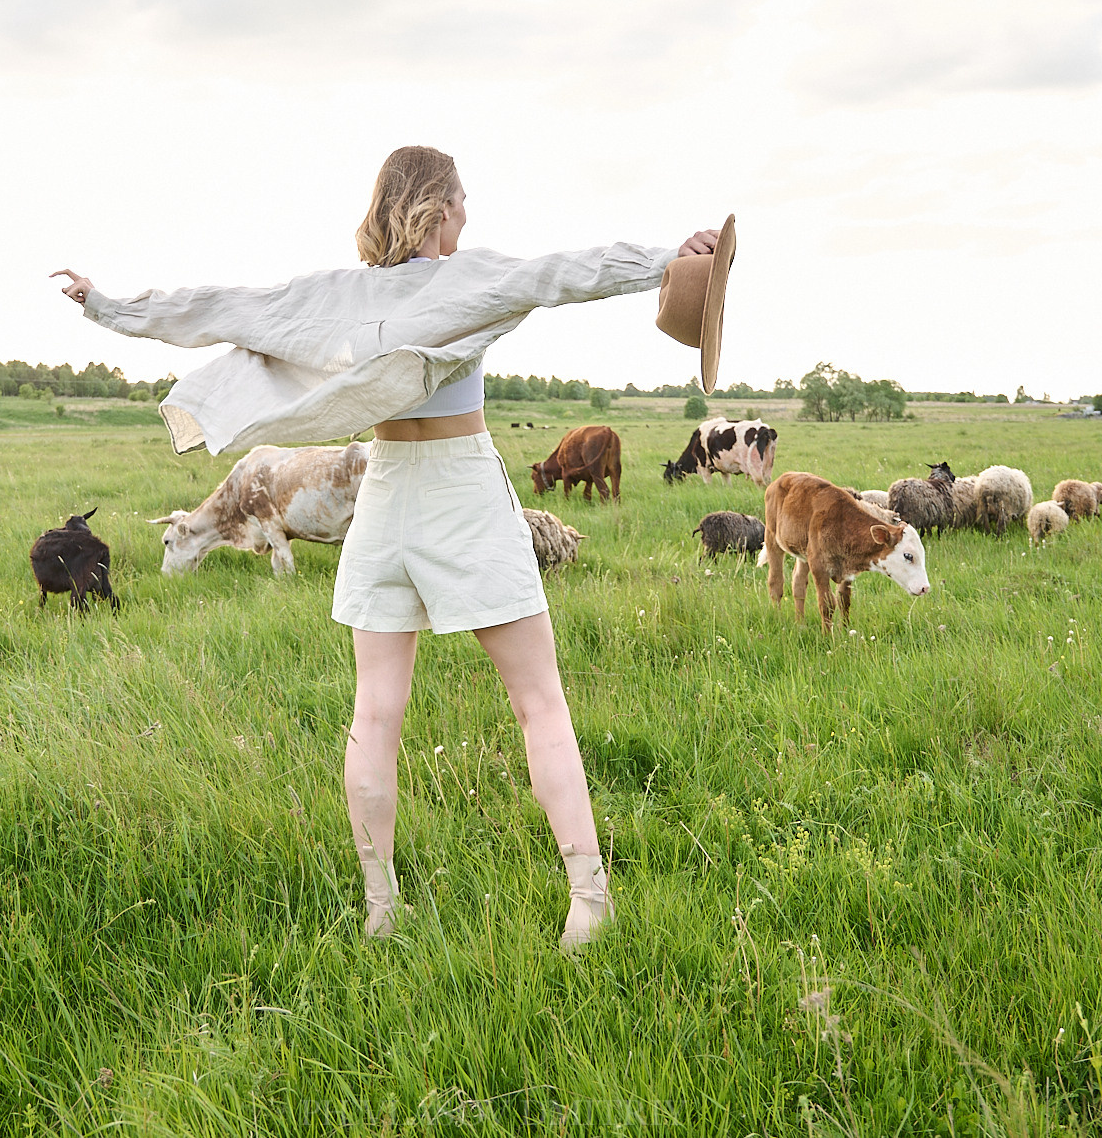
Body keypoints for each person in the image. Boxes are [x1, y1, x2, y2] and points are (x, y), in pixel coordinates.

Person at [53, 145, 718, 950]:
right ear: (435, 207)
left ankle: (382, 907)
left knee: (375, 714)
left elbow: (221, 306)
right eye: (462, 201)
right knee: (539, 702)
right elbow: (567, 271)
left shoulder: (333, 296)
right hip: (462, 490)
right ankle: (588, 900)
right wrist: (667, 258)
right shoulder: (467, 277)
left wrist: (108, 307)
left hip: (385, 493)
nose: (469, 216)